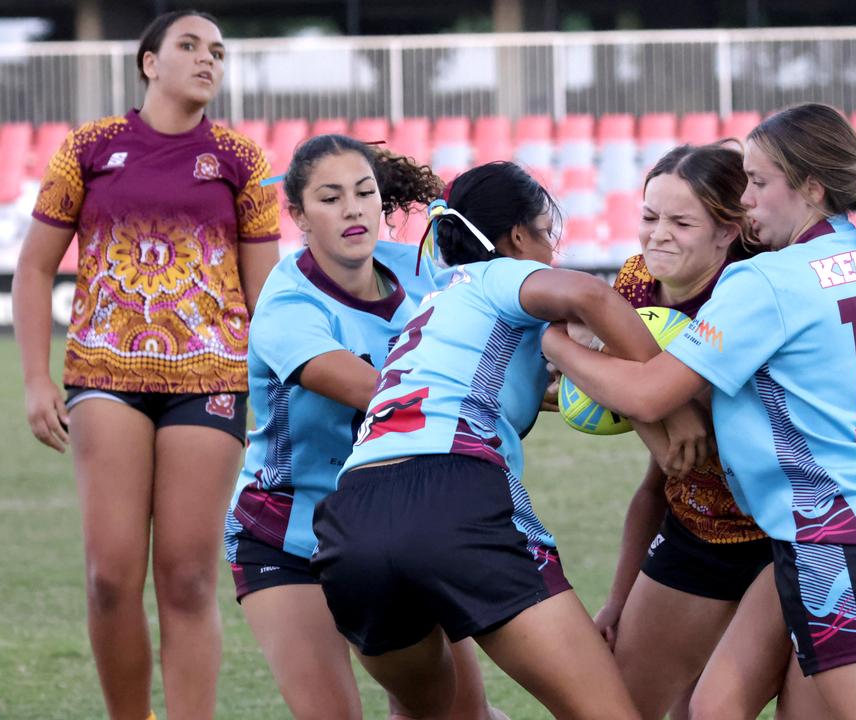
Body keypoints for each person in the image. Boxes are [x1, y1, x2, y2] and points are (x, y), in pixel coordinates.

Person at [543, 103, 856, 720]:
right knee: (716, 707)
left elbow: (652, 393)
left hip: (837, 540)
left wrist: (556, 345)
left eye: (757, 182)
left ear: (810, 187)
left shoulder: (766, 282)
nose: (745, 197)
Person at [310, 160, 709, 720]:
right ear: (518, 237)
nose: (552, 248)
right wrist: (673, 402)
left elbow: (499, 394)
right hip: (451, 492)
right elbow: (592, 298)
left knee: (435, 715)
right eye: (547, 232)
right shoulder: (495, 275)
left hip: (352, 517)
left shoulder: (434, 306)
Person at [13, 11, 279, 720]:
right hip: (103, 376)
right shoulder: (89, 149)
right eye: (188, 46)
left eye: (217, 51)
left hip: (212, 380)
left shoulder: (241, 160)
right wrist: (37, 378)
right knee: (109, 576)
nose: (206, 60)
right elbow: (35, 271)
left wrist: (281, 390)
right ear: (148, 63)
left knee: (189, 579)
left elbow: (268, 297)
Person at [224, 134, 502, 720]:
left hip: (402, 525)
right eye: (330, 198)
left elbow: (493, 333)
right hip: (289, 538)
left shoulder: (423, 270)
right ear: (297, 215)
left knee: (457, 715)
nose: (352, 209)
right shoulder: (286, 306)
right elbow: (381, 394)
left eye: (363, 192)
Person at [592, 143, 771, 720]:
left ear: (728, 231)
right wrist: (619, 600)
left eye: (681, 221)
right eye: (649, 217)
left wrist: (659, 400)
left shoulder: (753, 290)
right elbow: (663, 469)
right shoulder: (637, 282)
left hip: (790, 537)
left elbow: (635, 389)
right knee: (620, 705)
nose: (657, 236)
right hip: (698, 529)